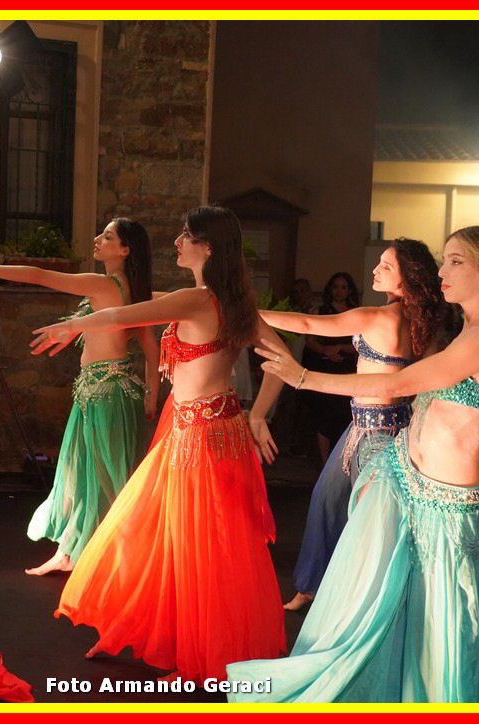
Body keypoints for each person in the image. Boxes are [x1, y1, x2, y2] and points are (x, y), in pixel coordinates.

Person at [228, 226, 479, 702]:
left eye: (455, 261)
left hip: (447, 509)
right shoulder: (470, 333)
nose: (442, 271)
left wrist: (304, 376)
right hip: (406, 482)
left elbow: (398, 385)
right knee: (383, 612)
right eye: (444, 260)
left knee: (438, 626)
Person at [31, 206, 287, 683]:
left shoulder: (197, 299)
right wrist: (255, 415)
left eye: (186, 235)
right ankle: (152, 630)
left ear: (207, 247)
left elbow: (123, 315)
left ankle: (196, 651)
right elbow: (281, 360)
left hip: (200, 439)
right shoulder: (230, 302)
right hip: (204, 430)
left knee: (188, 542)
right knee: (167, 534)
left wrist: (74, 326)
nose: (176, 242)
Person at [0, 218, 159, 576]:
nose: (97, 239)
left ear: (125, 250)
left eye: (107, 236)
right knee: (88, 475)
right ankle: (76, 552)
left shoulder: (103, 284)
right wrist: (150, 395)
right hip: (107, 391)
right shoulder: (132, 289)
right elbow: (151, 348)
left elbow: (41, 275)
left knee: (99, 478)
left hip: (105, 394)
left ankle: (106, 557)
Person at [251, 239, 452, 611]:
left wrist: (247, 313)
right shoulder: (421, 323)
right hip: (374, 427)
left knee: (365, 518)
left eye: (386, 266)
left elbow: (309, 323)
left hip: (377, 435)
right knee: (328, 501)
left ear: (407, 278)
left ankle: (356, 600)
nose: (375, 270)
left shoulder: (379, 317)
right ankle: (312, 587)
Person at [300, 272, 360, 463]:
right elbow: (310, 340)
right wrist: (325, 350)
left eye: (343, 287)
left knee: (345, 414)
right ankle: (325, 461)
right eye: (335, 287)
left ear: (349, 290)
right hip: (325, 367)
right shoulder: (321, 311)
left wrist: (341, 347)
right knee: (324, 414)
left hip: (347, 368)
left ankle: (343, 460)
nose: (339, 291)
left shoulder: (355, 314)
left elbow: (361, 344)